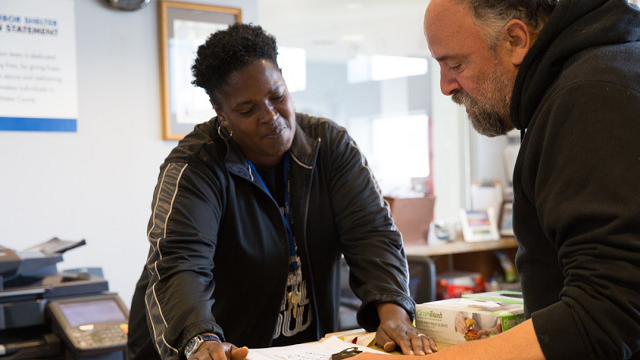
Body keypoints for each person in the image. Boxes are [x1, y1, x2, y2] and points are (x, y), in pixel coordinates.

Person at [127, 23, 437, 360]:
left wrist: (394, 311)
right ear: (222, 115)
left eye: (277, 96)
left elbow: (373, 234)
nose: (271, 116)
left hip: (301, 349)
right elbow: (181, 263)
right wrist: (199, 339)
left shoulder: (330, 147)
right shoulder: (195, 167)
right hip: (218, 349)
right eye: (247, 111)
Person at [356, 0, 640, 359]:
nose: (445, 86)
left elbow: (607, 315)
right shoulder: (592, 79)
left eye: (455, 64)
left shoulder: (591, 96)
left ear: (516, 40)